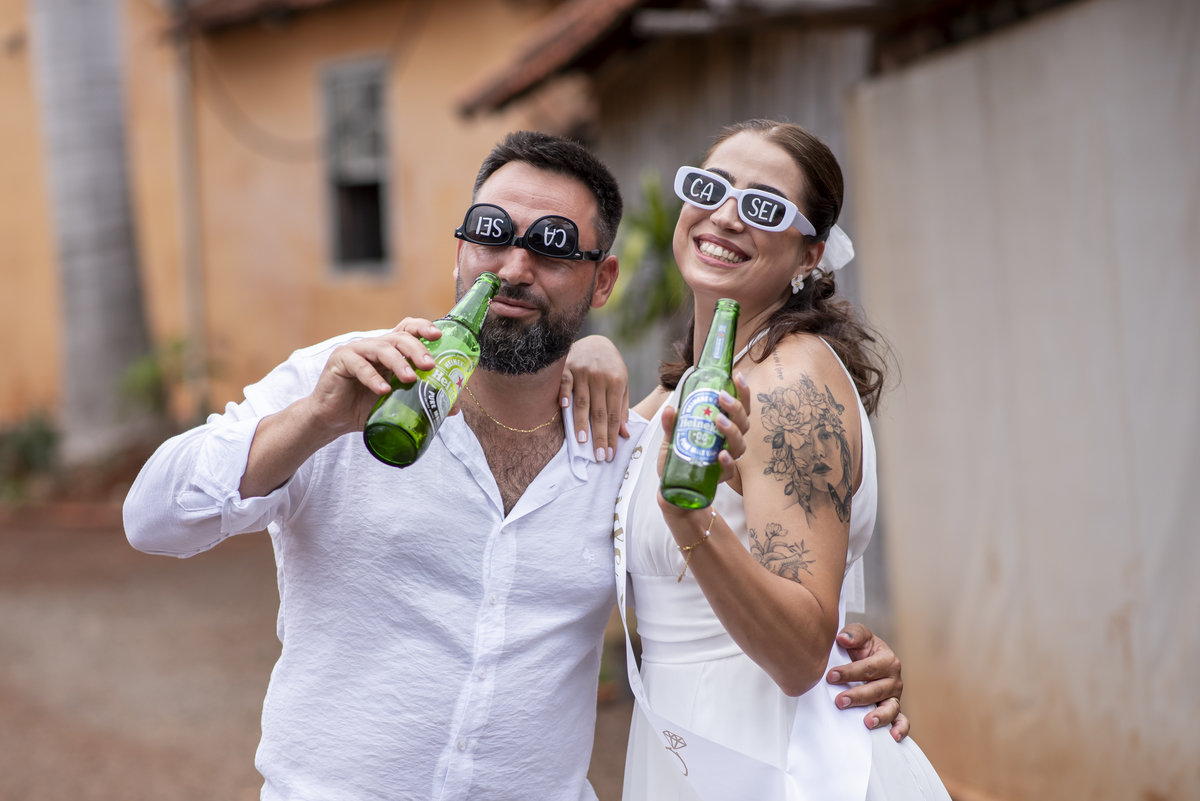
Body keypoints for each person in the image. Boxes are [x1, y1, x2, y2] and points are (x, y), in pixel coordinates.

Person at [123, 131, 905, 801]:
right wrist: (313, 421)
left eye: (555, 245)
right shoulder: (347, 381)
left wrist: (843, 653)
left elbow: (769, 600)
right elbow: (152, 520)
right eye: (492, 232)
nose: (514, 265)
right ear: (459, 249)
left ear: (603, 280)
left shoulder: (625, 443)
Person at [591, 120, 950, 800]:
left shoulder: (790, 387)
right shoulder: (692, 383)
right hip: (689, 736)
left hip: (772, 756)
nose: (725, 216)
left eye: (763, 207)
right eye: (710, 188)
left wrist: (688, 514)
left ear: (809, 253)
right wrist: (592, 353)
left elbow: (798, 651)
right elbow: (584, 453)